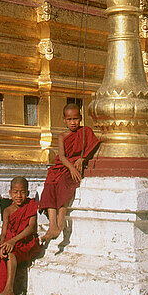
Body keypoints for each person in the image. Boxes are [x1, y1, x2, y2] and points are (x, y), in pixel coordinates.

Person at [38, 103, 99, 244]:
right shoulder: (62, 136)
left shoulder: (86, 131)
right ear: (64, 120)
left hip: (74, 167)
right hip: (63, 165)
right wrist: (71, 167)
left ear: (81, 118)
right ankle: (52, 225)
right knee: (49, 186)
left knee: (63, 185)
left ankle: (60, 223)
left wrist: (82, 159)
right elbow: (62, 156)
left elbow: (93, 147)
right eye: (70, 119)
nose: (73, 122)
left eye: (76, 119)